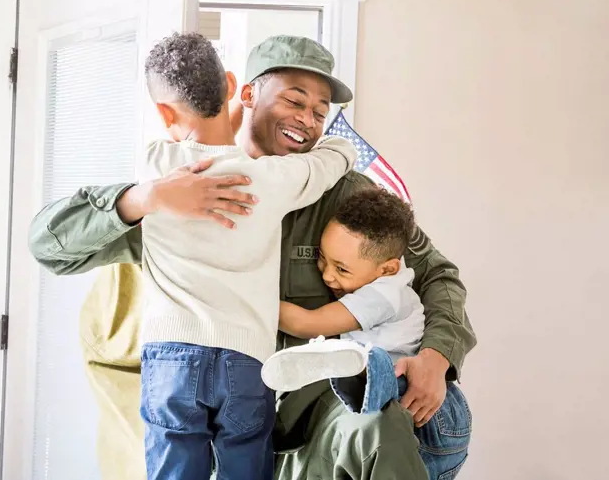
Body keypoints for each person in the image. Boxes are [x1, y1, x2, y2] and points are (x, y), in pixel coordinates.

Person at [29, 35, 477, 480]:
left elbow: (436, 274)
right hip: (216, 414)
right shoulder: (175, 187)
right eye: (293, 101)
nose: (307, 120)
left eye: (320, 112)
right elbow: (50, 247)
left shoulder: (349, 193)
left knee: (375, 431)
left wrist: (437, 357)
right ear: (244, 93)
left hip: (317, 419)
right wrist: (144, 198)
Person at [134, 32, 356, 480]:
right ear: (235, 88)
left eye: (319, 110)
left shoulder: (154, 169)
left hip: (170, 359)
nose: (309, 118)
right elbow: (335, 156)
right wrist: (338, 144)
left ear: (162, 112)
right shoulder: (271, 180)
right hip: (246, 361)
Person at [261, 189, 470, 479]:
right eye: (322, 259)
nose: (327, 276)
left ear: (387, 268)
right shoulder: (374, 274)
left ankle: (351, 366)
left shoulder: (384, 295)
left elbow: (309, 323)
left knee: (376, 373)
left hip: (418, 406)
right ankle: (344, 368)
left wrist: (249, 299)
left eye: (342, 269)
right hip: (399, 412)